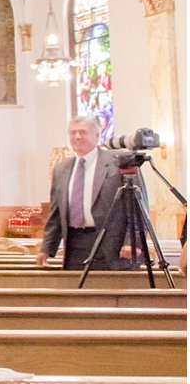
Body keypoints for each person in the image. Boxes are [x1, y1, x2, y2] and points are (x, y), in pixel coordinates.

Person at [39, 114, 132, 269]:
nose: (77, 136)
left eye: (82, 132)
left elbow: (135, 207)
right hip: (75, 245)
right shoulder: (61, 169)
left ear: (97, 135)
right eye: (73, 132)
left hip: (112, 245)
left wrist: (131, 242)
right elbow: (56, 214)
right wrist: (47, 248)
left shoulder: (118, 161)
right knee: (78, 292)